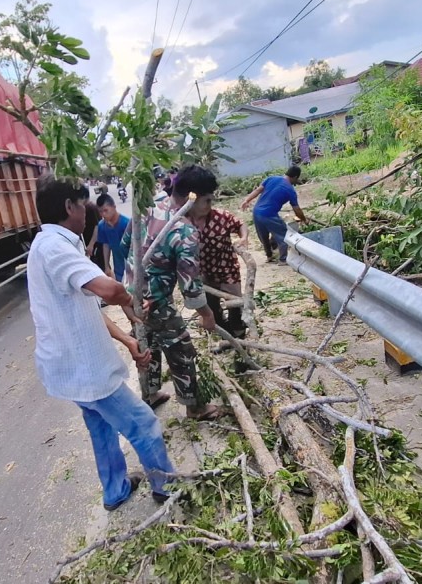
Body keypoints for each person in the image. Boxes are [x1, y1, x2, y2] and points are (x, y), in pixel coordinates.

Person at [27, 174, 174, 511]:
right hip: (84, 368)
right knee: (144, 423)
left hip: (69, 367)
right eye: (82, 204)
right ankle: (166, 487)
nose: (86, 211)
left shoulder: (51, 245)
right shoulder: (54, 248)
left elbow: (88, 309)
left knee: (101, 427)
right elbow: (109, 290)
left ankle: (115, 490)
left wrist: (127, 339)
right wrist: (135, 300)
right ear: (69, 206)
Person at [121, 165, 222, 420]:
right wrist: (207, 314)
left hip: (130, 295)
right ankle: (195, 407)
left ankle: (150, 394)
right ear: (193, 197)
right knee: (181, 348)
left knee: (147, 343)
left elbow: (125, 244)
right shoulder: (184, 232)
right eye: (208, 200)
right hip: (155, 302)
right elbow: (191, 288)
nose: (210, 206)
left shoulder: (148, 205)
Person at [187, 190, 249, 338]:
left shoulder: (221, 216)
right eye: (206, 201)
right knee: (212, 310)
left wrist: (244, 237)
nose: (210, 205)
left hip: (227, 270)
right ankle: (227, 339)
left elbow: (241, 224)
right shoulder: (184, 221)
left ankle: (240, 341)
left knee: (236, 308)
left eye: (211, 201)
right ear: (194, 202)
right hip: (204, 274)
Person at [240, 166, 307, 264]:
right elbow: (297, 209)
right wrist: (304, 219)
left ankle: (269, 256)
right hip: (269, 214)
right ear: (295, 177)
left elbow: (258, 190)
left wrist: (246, 200)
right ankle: (283, 259)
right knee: (284, 234)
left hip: (256, 212)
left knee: (264, 237)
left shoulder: (271, 179)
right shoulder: (290, 190)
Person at [96, 193, 130, 282]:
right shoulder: (102, 226)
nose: (103, 214)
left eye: (105, 210)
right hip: (118, 268)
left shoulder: (127, 224)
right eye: (100, 211)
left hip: (131, 266)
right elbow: (106, 245)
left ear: (114, 207)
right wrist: (107, 266)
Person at [82, 199, 105, 270]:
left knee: (101, 267)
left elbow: (97, 226)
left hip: (96, 243)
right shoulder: (82, 208)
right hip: (87, 242)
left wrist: (91, 245)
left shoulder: (91, 208)